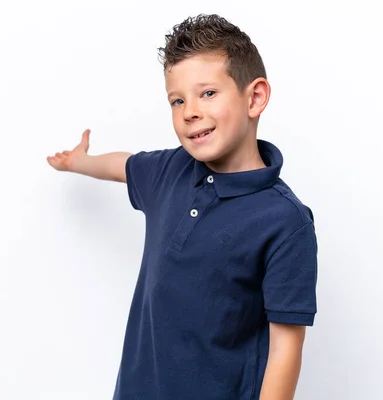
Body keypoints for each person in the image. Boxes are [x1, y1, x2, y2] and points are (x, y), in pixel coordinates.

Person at [47, 13, 318, 400]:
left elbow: (285, 350)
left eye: (207, 93)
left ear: (254, 97)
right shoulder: (169, 170)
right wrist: (79, 162)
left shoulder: (285, 222)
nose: (189, 111)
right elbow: (123, 165)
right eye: (178, 100)